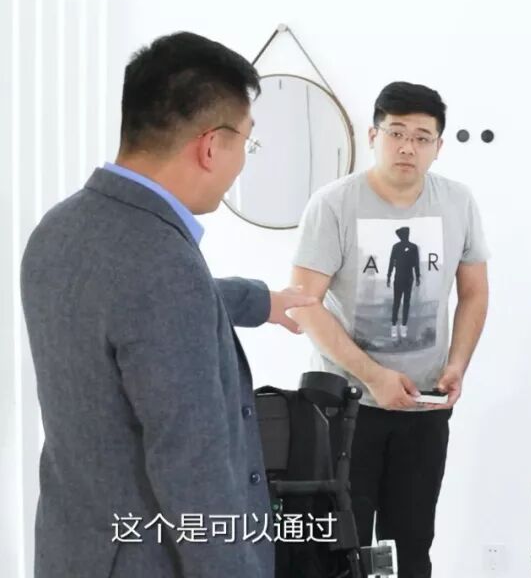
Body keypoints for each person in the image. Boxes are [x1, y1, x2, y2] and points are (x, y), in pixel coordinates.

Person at [20, 31, 315, 578]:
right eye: (246, 144)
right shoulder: (161, 262)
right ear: (211, 146)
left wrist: (261, 301)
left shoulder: (58, 229)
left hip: (75, 551)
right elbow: (193, 469)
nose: (241, 163)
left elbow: (135, 309)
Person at [289, 81, 490, 577]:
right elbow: (304, 305)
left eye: (422, 137)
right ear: (373, 135)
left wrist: (457, 365)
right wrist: (374, 376)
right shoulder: (334, 204)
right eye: (396, 133)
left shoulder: (457, 202)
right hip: (346, 407)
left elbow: (474, 292)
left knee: (412, 544)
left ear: (438, 146)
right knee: (341, 547)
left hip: (425, 405)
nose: (407, 147)